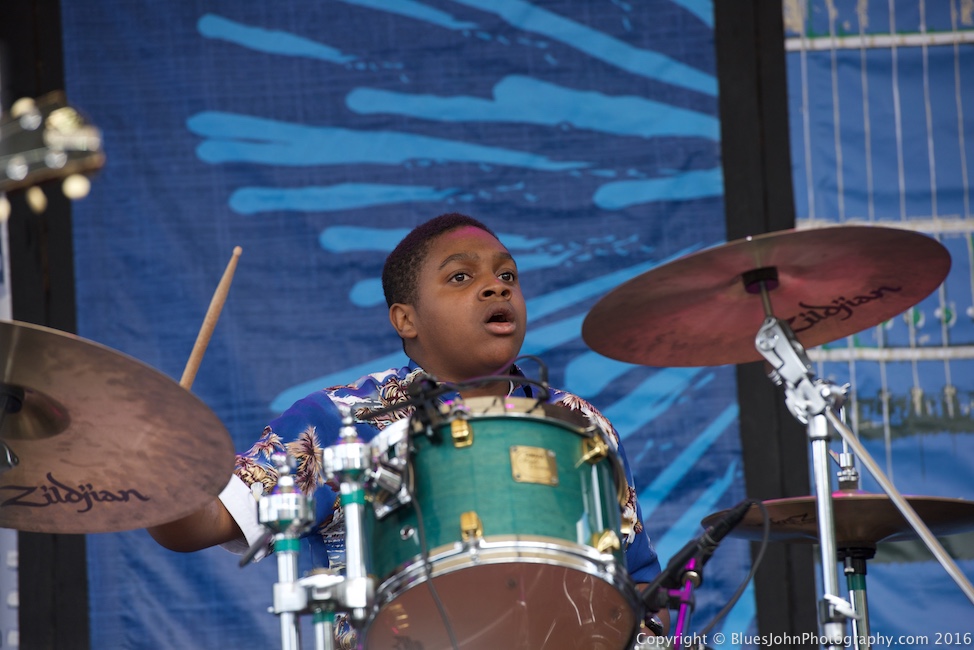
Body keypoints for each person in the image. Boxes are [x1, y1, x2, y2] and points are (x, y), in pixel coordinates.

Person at [148, 212, 669, 644]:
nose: (495, 287)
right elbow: (201, 524)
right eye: (461, 278)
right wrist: (147, 463)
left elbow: (642, 591)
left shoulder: (579, 424)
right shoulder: (342, 417)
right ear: (406, 319)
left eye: (507, 276)